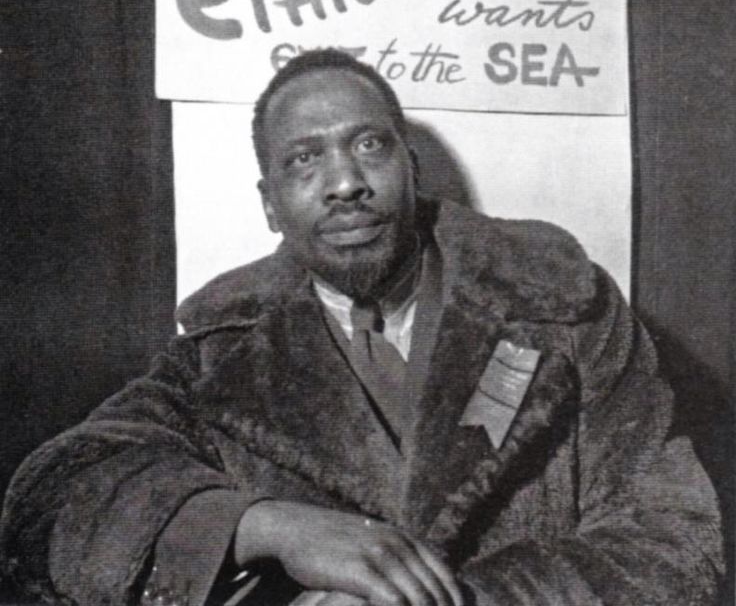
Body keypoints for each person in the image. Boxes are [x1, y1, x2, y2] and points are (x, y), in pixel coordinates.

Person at [0, 49, 723, 606]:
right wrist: (268, 526)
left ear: (411, 168)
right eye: (305, 159)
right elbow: (51, 499)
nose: (345, 181)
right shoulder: (221, 348)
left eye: (369, 146)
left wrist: (443, 599)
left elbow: (677, 545)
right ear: (271, 205)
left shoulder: (565, 308)